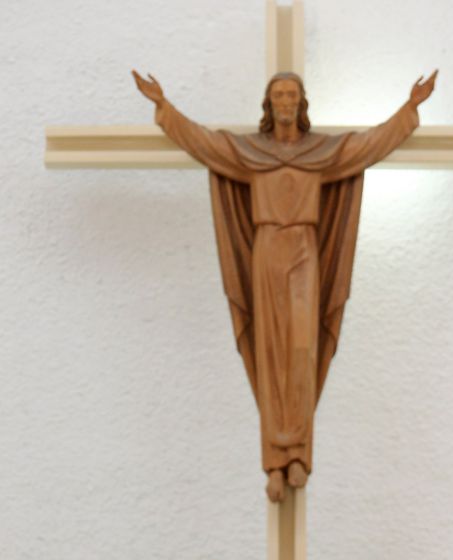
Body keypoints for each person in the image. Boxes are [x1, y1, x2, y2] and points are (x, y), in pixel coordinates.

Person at [133, 68, 437, 502]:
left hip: (305, 250)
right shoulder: (250, 152)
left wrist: (409, 109)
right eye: (278, 94)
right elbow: (204, 143)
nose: (285, 101)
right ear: (268, 103)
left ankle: (298, 456)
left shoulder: (322, 153)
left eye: (292, 94)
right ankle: (275, 461)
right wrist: (164, 108)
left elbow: (368, 145)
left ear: (302, 102)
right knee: (271, 351)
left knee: (301, 350)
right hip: (267, 249)